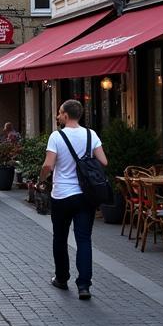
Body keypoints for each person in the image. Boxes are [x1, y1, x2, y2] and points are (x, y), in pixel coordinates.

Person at [42, 99, 107, 300]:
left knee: (60, 239)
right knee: (84, 240)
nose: (57, 116)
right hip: (85, 197)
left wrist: (41, 179)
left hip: (62, 196)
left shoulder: (56, 136)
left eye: (59, 113)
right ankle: (84, 285)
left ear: (66, 115)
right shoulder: (91, 134)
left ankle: (61, 278)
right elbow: (104, 161)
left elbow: (49, 165)